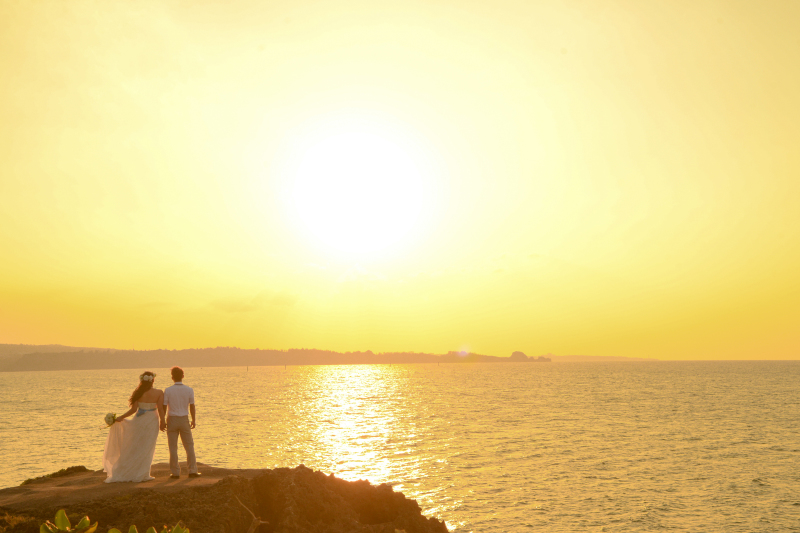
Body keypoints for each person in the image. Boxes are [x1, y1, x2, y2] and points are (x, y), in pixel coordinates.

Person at [102, 371, 164, 483]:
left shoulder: (138, 393)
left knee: (136, 446)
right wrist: (163, 422)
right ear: (152, 380)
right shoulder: (159, 392)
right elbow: (160, 409)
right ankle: (144, 474)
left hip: (139, 420)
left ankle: (136, 472)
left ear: (142, 381)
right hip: (152, 420)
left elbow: (133, 410)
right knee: (148, 447)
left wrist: (121, 417)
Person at [161, 366, 200, 478]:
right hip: (184, 418)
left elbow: (164, 407)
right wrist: (194, 420)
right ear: (183, 376)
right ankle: (192, 470)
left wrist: (162, 421)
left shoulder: (168, 390)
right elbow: (192, 406)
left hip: (172, 419)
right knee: (189, 446)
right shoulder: (189, 390)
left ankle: (175, 472)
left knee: (173, 447)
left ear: (172, 377)